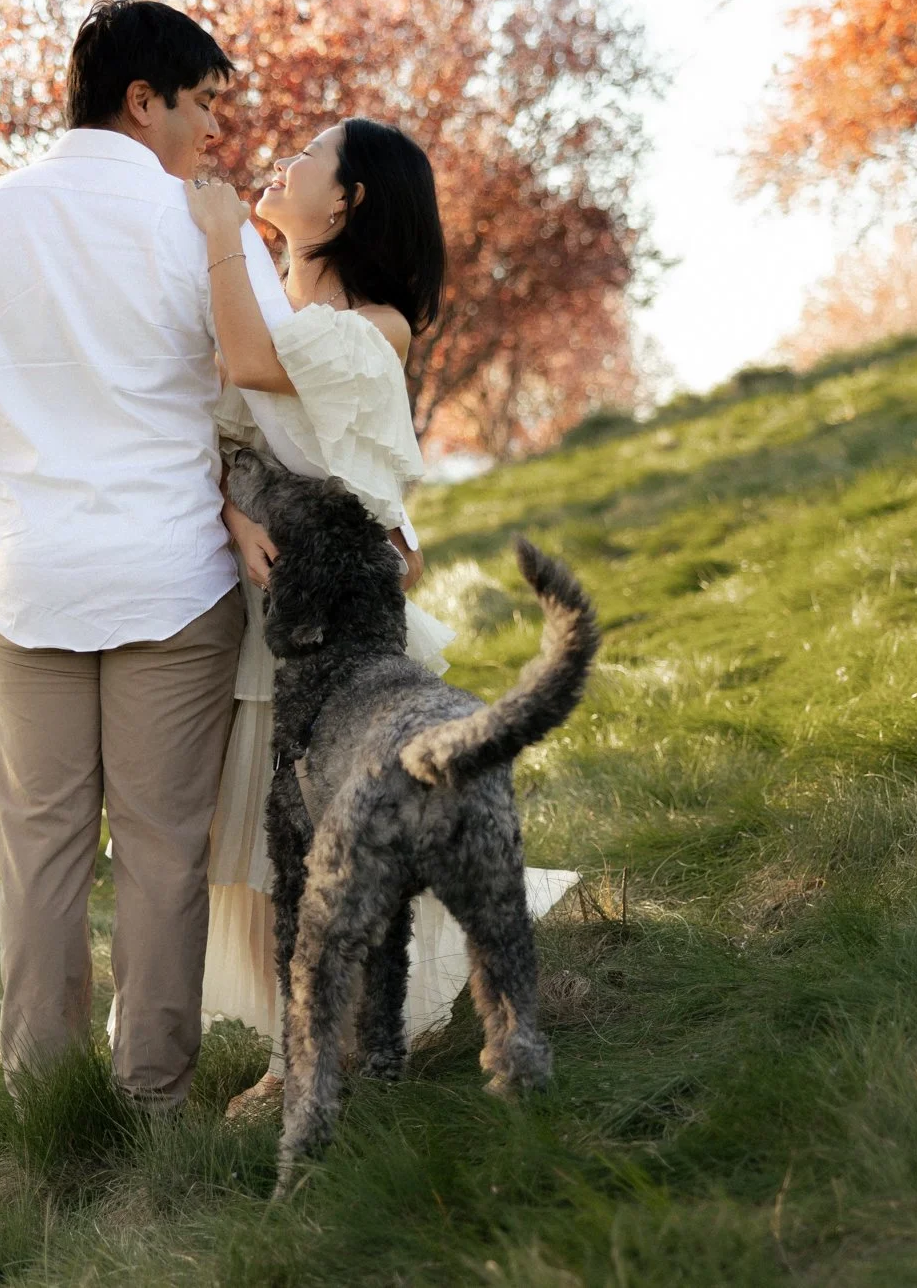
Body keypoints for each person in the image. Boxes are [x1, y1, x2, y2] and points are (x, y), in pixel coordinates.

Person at [183, 119, 578, 1119]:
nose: (285, 158)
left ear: (348, 201)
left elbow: (250, 358)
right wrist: (231, 518)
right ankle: (308, 1045)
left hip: (337, 637)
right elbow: (227, 436)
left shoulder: (375, 326)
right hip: (260, 608)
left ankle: (316, 1059)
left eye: (312, 154)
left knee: (328, 840)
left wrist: (222, 225)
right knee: (271, 854)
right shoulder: (270, 299)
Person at [0, 0, 249, 1113]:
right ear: (141, 99)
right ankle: (153, 1099)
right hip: (173, 576)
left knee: (42, 852)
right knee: (161, 851)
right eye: (201, 103)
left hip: (31, 577)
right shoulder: (196, 224)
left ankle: (46, 1103)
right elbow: (254, 386)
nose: (211, 132)